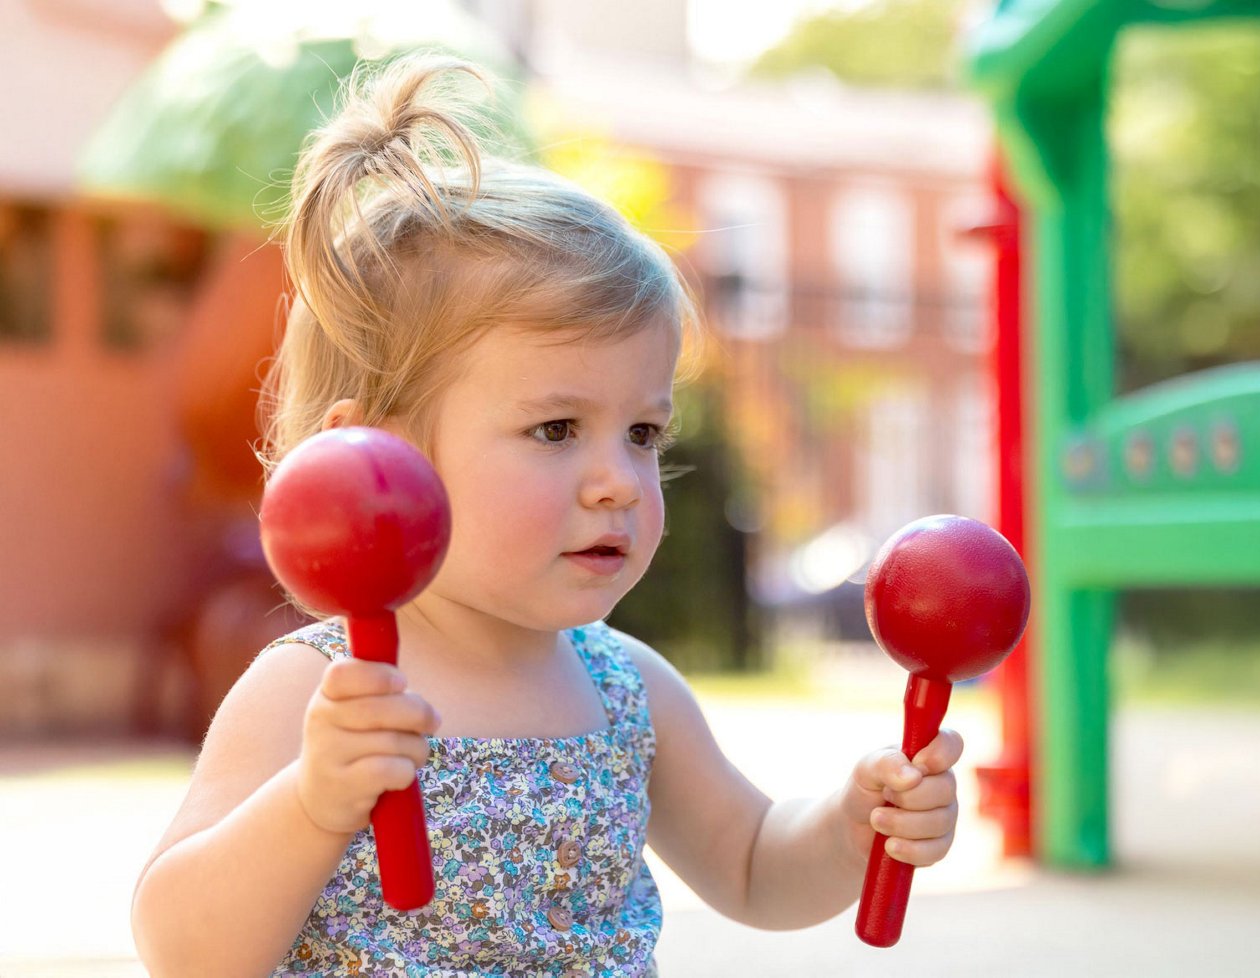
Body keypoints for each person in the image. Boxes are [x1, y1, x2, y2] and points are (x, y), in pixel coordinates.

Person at [131, 54, 963, 978]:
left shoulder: (627, 692)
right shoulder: (315, 693)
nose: (618, 480)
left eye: (644, 432)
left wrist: (853, 824)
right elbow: (181, 949)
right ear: (378, 458)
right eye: (557, 428)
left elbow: (754, 865)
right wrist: (312, 802)